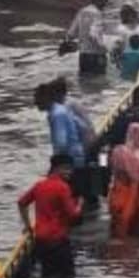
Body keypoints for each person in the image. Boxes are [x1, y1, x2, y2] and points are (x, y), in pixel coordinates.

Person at [17, 153, 82, 278]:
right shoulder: (63, 187)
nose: (70, 172)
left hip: (41, 240)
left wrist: (27, 225)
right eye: (67, 169)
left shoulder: (39, 185)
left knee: (47, 276)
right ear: (57, 169)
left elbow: (21, 203)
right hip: (58, 239)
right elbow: (72, 214)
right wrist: (80, 205)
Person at [33, 79, 95, 209]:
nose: (35, 103)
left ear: (46, 98)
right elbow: (82, 127)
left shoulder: (57, 115)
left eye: (37, 99)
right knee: (77, 191)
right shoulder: (61, 109)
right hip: (78, 155)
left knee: (63, 194)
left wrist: (55, 165)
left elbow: (61, 143)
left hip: (70, 160)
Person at [64, 0, 110, 75]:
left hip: (83, 55)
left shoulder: (81, 12)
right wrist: (104, 49)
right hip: (96, 55)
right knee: (98, 84)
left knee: (85, 82)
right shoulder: (97, 14)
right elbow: (93, 35)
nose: (106, 4)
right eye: (105, 0)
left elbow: (70, 34)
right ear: (97, 0)